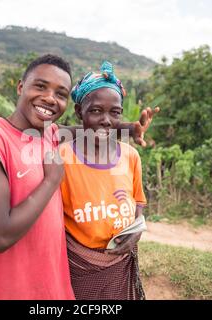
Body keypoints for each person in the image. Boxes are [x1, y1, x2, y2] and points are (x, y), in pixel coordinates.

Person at [0, 54, 158, 299]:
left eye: (60, 93)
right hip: (8, 289)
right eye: (40, 86)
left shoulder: (49, 133)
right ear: (21, 86)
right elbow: (0, 236)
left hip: (55, 286)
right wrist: (51, 180)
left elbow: (91, 127)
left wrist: (129, 128)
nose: (50, 98)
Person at [59, 61, 148, 300]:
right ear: (79, 112)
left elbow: (138, 203)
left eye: (115, 112)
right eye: (96, 110)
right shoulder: (62, 159)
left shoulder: (130, 156)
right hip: (78, 266)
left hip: (121, 263)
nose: (106, 120)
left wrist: (136, 232)